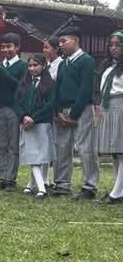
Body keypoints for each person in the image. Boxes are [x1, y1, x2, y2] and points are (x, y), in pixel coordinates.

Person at [53, 26, 98, 199]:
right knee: (62, 148)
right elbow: (57, 89)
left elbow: (85, 89)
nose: (61, 45)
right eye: (60, 42)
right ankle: (62, 184)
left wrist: (74, 115)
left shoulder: (86, 61)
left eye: (64, 41)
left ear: (76, 41)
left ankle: (90, 186)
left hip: (82, 109)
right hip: (63, 111)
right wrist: (58, 112)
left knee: (86, 148)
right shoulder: (64, 63)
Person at [14, 54, 56, 200]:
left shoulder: (49, 83)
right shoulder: (24, 82)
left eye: (35, 65)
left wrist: (34, 118)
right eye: (30, 65)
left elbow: (50, 104)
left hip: (42, 124)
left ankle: (38, 186)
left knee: (39, 157)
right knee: (33, 156)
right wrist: (24, 116)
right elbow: (16, 102)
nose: (32, 68)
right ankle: (39, 187)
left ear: (43, 66)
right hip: (26, 124)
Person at [0, 33, 27, 191]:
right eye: (3, 46)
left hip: (14, 110)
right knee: (0, 145)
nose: (5, 49)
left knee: (13, 146)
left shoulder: (22, 66)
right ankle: (1, 177)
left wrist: (4, 74)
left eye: (9, 46)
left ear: (17, 47)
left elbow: (20, 87)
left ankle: (10, 179)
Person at [96, 30, 123, 204]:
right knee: (114, 152)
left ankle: (116, 193)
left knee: (121, 151)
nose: (113, 48)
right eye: (111, 45)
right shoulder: (108, 64)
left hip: (121, 105)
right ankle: (118, 189)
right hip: (108, 107)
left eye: (117, 45)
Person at [42, 36, 62, 187]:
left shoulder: (61, 65)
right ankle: (44, 178)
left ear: (56, 49)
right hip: (44, 110)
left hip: (55, 109)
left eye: (47, 47)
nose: (44, 50)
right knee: (45, 143)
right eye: (43, 47)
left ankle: (57, 178)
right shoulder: (45, 66)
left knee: (56, 144)